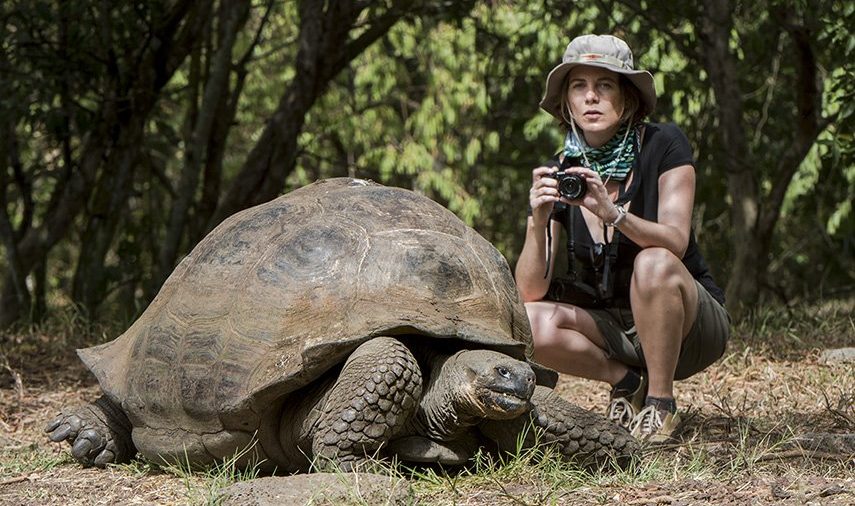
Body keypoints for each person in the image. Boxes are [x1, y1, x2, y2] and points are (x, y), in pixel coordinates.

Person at [515, 34, 730, 443]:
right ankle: (626, 382)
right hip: (612, 325)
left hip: (688, 323)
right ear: (566, 103)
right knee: (526, 321)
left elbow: (675, 242)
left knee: (654, 261)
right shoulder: (563, 172)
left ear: (627, 98)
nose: (591, 97)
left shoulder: (664, 145)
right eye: (579, 86)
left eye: (605, 85)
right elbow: (529, 290)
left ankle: (660, 403)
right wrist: (538, 219)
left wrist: (613, 214)